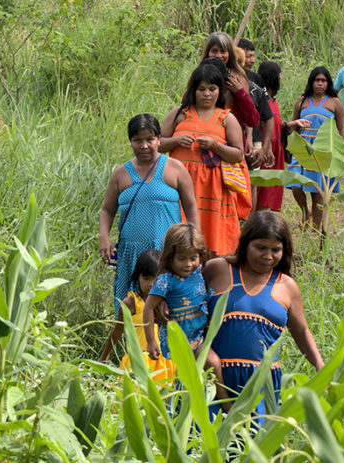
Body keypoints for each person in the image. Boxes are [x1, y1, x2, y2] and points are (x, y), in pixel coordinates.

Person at [203, 211, 324, 421]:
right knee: (203, 444)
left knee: (255, 447)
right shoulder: (218, 270)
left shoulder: (287, 286)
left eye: (276, 249)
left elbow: (302, 331)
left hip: (260, 383)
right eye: (260, 248)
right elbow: (184, 298)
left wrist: (320, 365)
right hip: (211, 377)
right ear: (245, 243)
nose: (268, 256)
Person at [99, 113, 199, 316]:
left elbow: (191, 208)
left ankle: (166, 346)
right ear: (130, 142)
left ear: (159, 139)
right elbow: (107, 210)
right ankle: (130, 346)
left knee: (168, 307)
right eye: (137, 140)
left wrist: (193, 243)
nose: (144, 145)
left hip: (166, 252)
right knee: (129, 308)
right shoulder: (121, 173)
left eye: (150, 139)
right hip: (131, 254)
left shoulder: (175, 168)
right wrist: (104, 237)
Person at [159, 62, 244, 257]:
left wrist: (215, 145)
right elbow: (158, 144)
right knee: (177, 232)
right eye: (202, 89)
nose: (207, 94)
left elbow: (238, 154)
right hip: (178, 185)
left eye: (212, 89)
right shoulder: (180, 113)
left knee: (210, 238)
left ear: (219, 91)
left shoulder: (226, 118)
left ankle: (209, 276)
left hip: (212, 189)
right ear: (193, 90)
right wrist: (176, 140)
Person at [143, 224, 229, 405]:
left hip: (198, 336)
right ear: (169, 257)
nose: (188, 264)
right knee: (184, 379)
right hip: (178, 340)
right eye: (181, 258)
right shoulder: (166, 281)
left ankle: (223, 407)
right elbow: (148, 308)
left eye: (193, 258)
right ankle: (174, 415)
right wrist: (151, 341)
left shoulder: (199, 272)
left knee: (210, 367)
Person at [202, 32, 273, 218]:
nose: (219, 55)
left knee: (231, 203)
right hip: (203, 144)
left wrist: (240, 92)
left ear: (230, 54)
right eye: (214, 51)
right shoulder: (200, 74)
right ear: (207, 52)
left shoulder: (238, 77)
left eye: (223, 51)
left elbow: (253, 119)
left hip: (230, 146)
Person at [97, 250, 176, 380]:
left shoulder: (166, 303)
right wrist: (104, 357)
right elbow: (116, 332)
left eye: (156, 280)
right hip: (136, 362)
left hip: (163, 363)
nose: (151, 284)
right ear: (137, 277)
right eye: (146, 278)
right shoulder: (130, 303)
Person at [288, 66, 344, 230]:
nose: (320, 84)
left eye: (323, 80)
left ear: (328, 83)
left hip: (323, 150)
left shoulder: (334, 103)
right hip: (302, 147)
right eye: (317, 80)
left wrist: (340, 150)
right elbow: (293, 125)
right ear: (311, 82)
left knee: (316, 191)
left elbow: (341, 129)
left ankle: (315, 227)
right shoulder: (302, 101)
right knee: (296, 185)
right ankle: (305, 211)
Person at [255, 60, 311, 212]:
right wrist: (265, 147)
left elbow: (275, 126)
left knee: (271, 190)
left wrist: (292, 124)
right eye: (279, 75)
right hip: (267, 149)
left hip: (276, 148)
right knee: (262, 191)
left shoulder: (273, 100)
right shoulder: (261, 99)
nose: (281, 79)